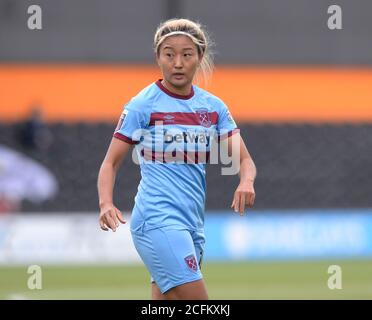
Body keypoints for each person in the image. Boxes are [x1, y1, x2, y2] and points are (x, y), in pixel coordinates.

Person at [97, 18, 257, 300]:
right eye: (169, 54)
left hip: (192, 224)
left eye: (186, 54)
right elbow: (110, 162)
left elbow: (244, 160)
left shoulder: (213, 107)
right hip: (158, 221)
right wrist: (105, 203)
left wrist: (246, 181)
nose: (178, 63)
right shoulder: (142, 105)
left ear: (200, 57)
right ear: (158, 57)